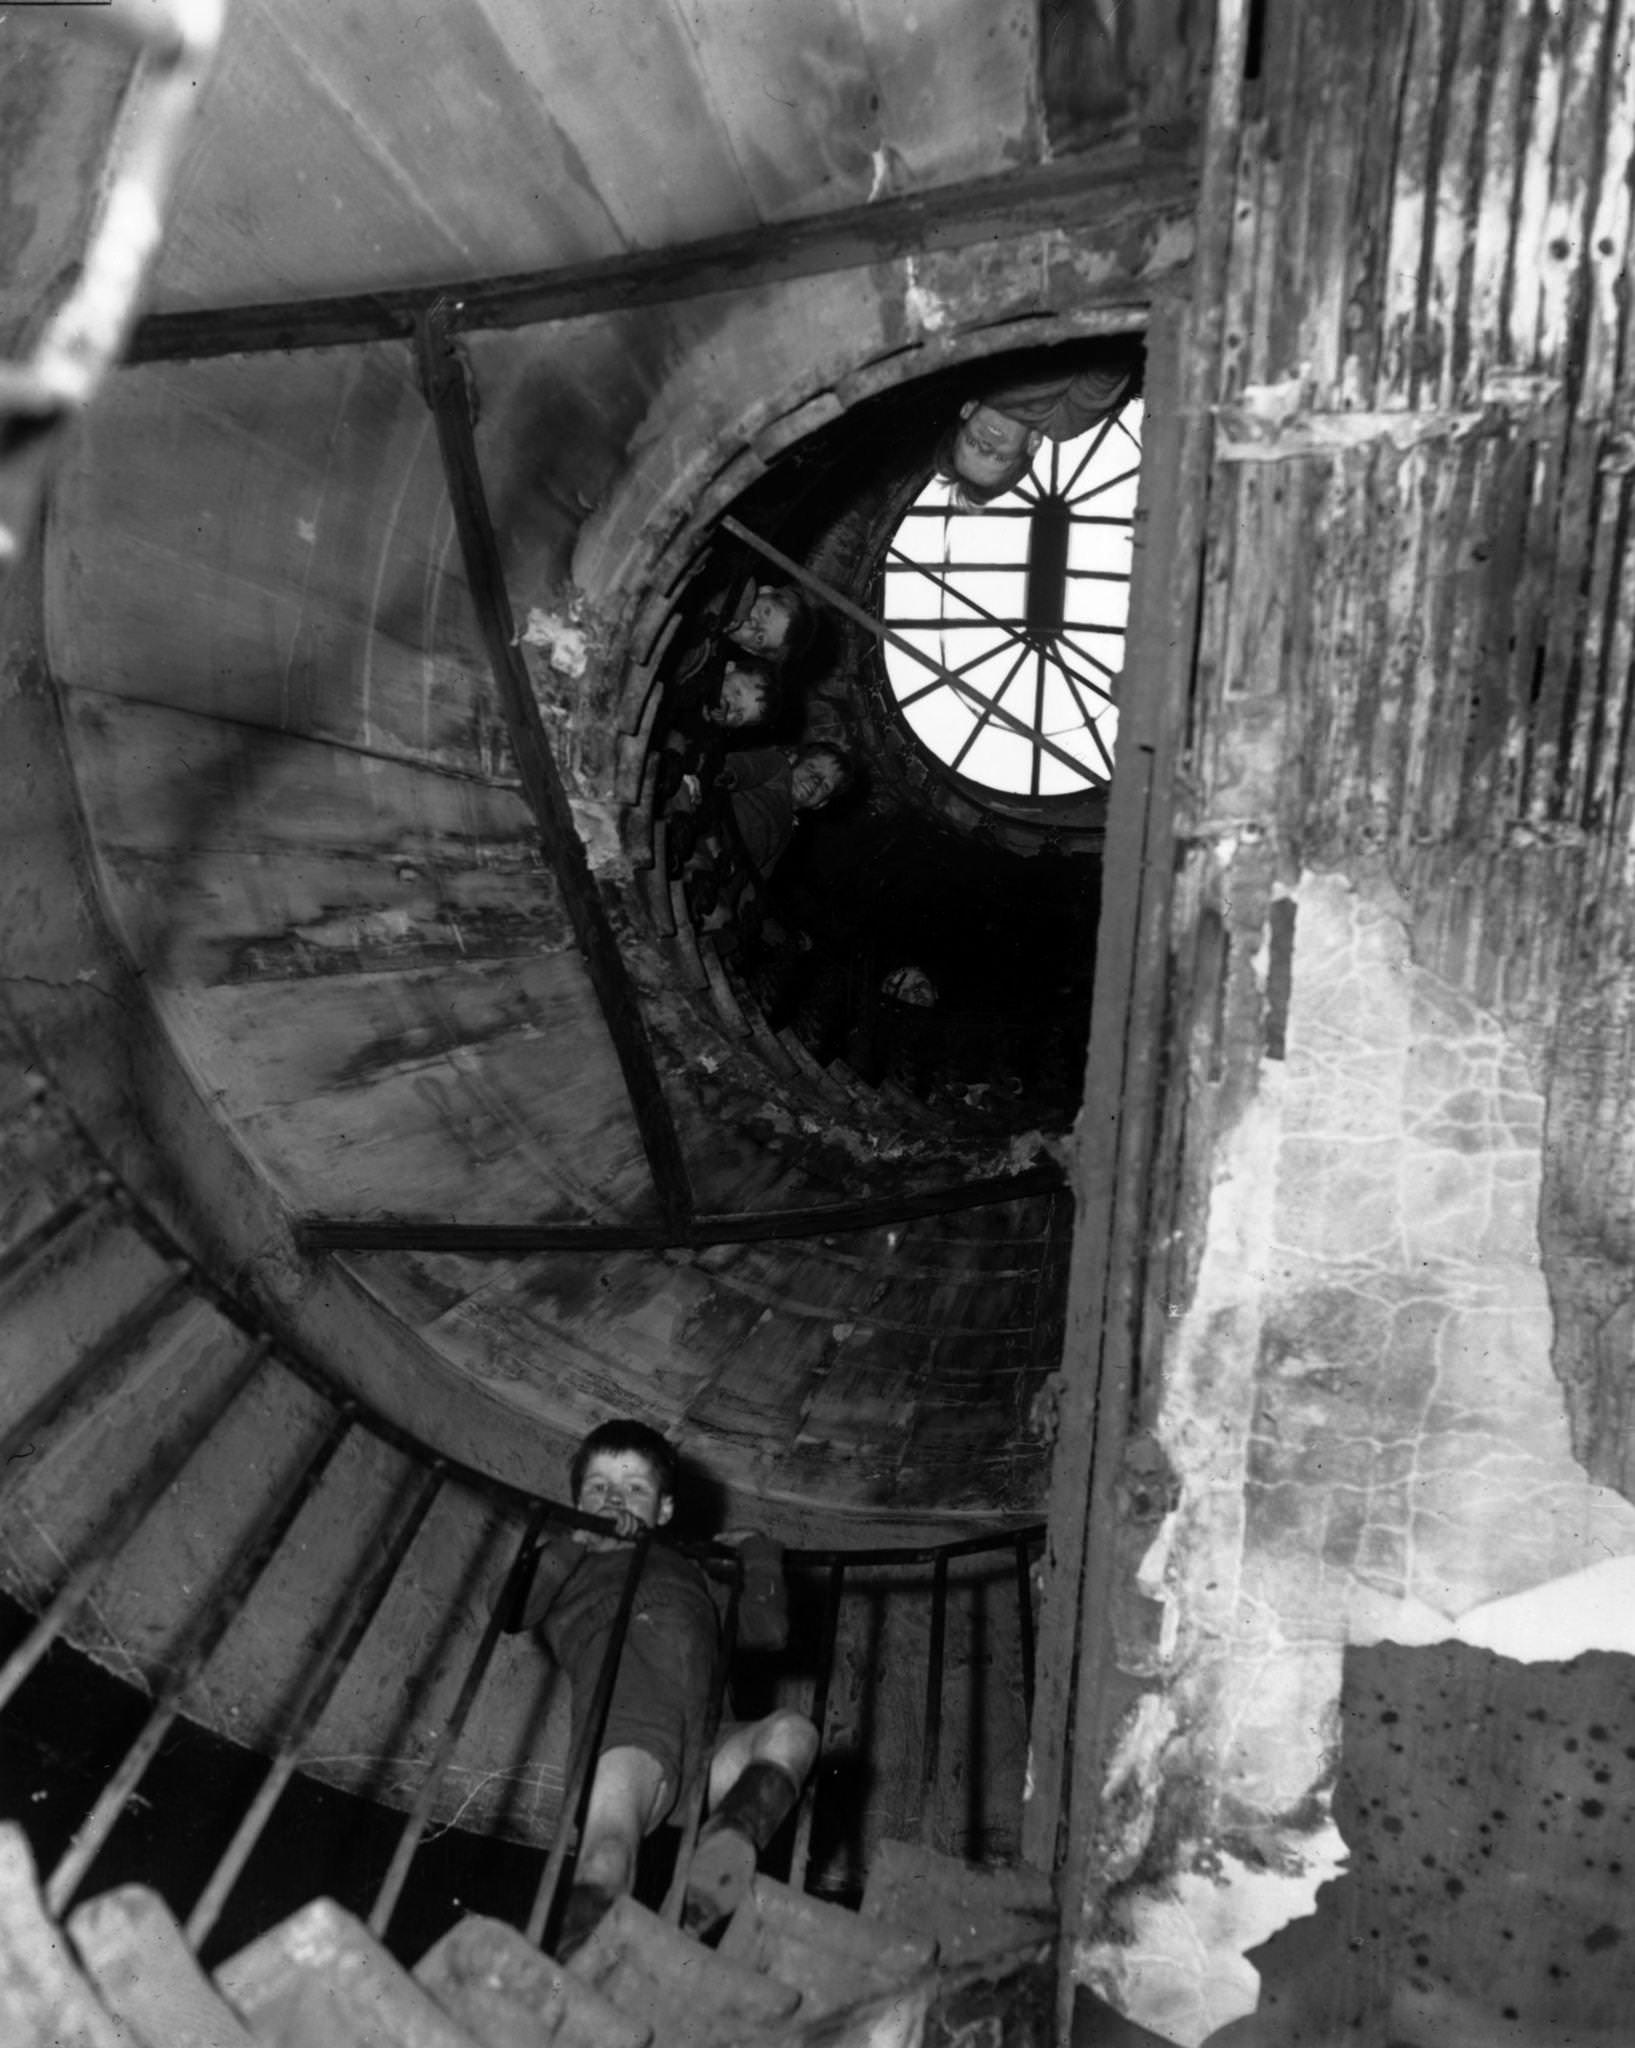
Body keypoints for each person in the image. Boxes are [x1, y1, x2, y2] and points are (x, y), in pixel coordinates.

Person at [503, 1420, 818, 1953]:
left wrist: (758, 1554)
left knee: (794, 1732)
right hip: (626, 1733)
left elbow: (769, 1631)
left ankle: (726, 1845)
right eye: (597, 1487)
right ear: (577, 1500)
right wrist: (577, 1540)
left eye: (634, 1488)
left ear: (664, 1510)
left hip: (707, 1741)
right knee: (607, 1851)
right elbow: (511, 1609)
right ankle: (581, 1967)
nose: (614, 1499)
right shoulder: (571, 1568)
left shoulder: (693, 1574)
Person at [936, 352, 1137, 504]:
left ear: (968, 409)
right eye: (999, 457)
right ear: (1033, 443)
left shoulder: (978, 372)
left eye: (972, 443)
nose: (986, 447)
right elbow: (1107, 369)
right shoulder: (1059, 424)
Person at [722, 741, 852, 878]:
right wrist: (722, 776)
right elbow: (740, 767)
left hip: (722, 872)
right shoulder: (778, 769)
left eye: (826, 785)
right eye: (811, 768)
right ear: (793, 760)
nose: (815, 781)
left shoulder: (787, 832)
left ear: (821, 804)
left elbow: (761, 875)